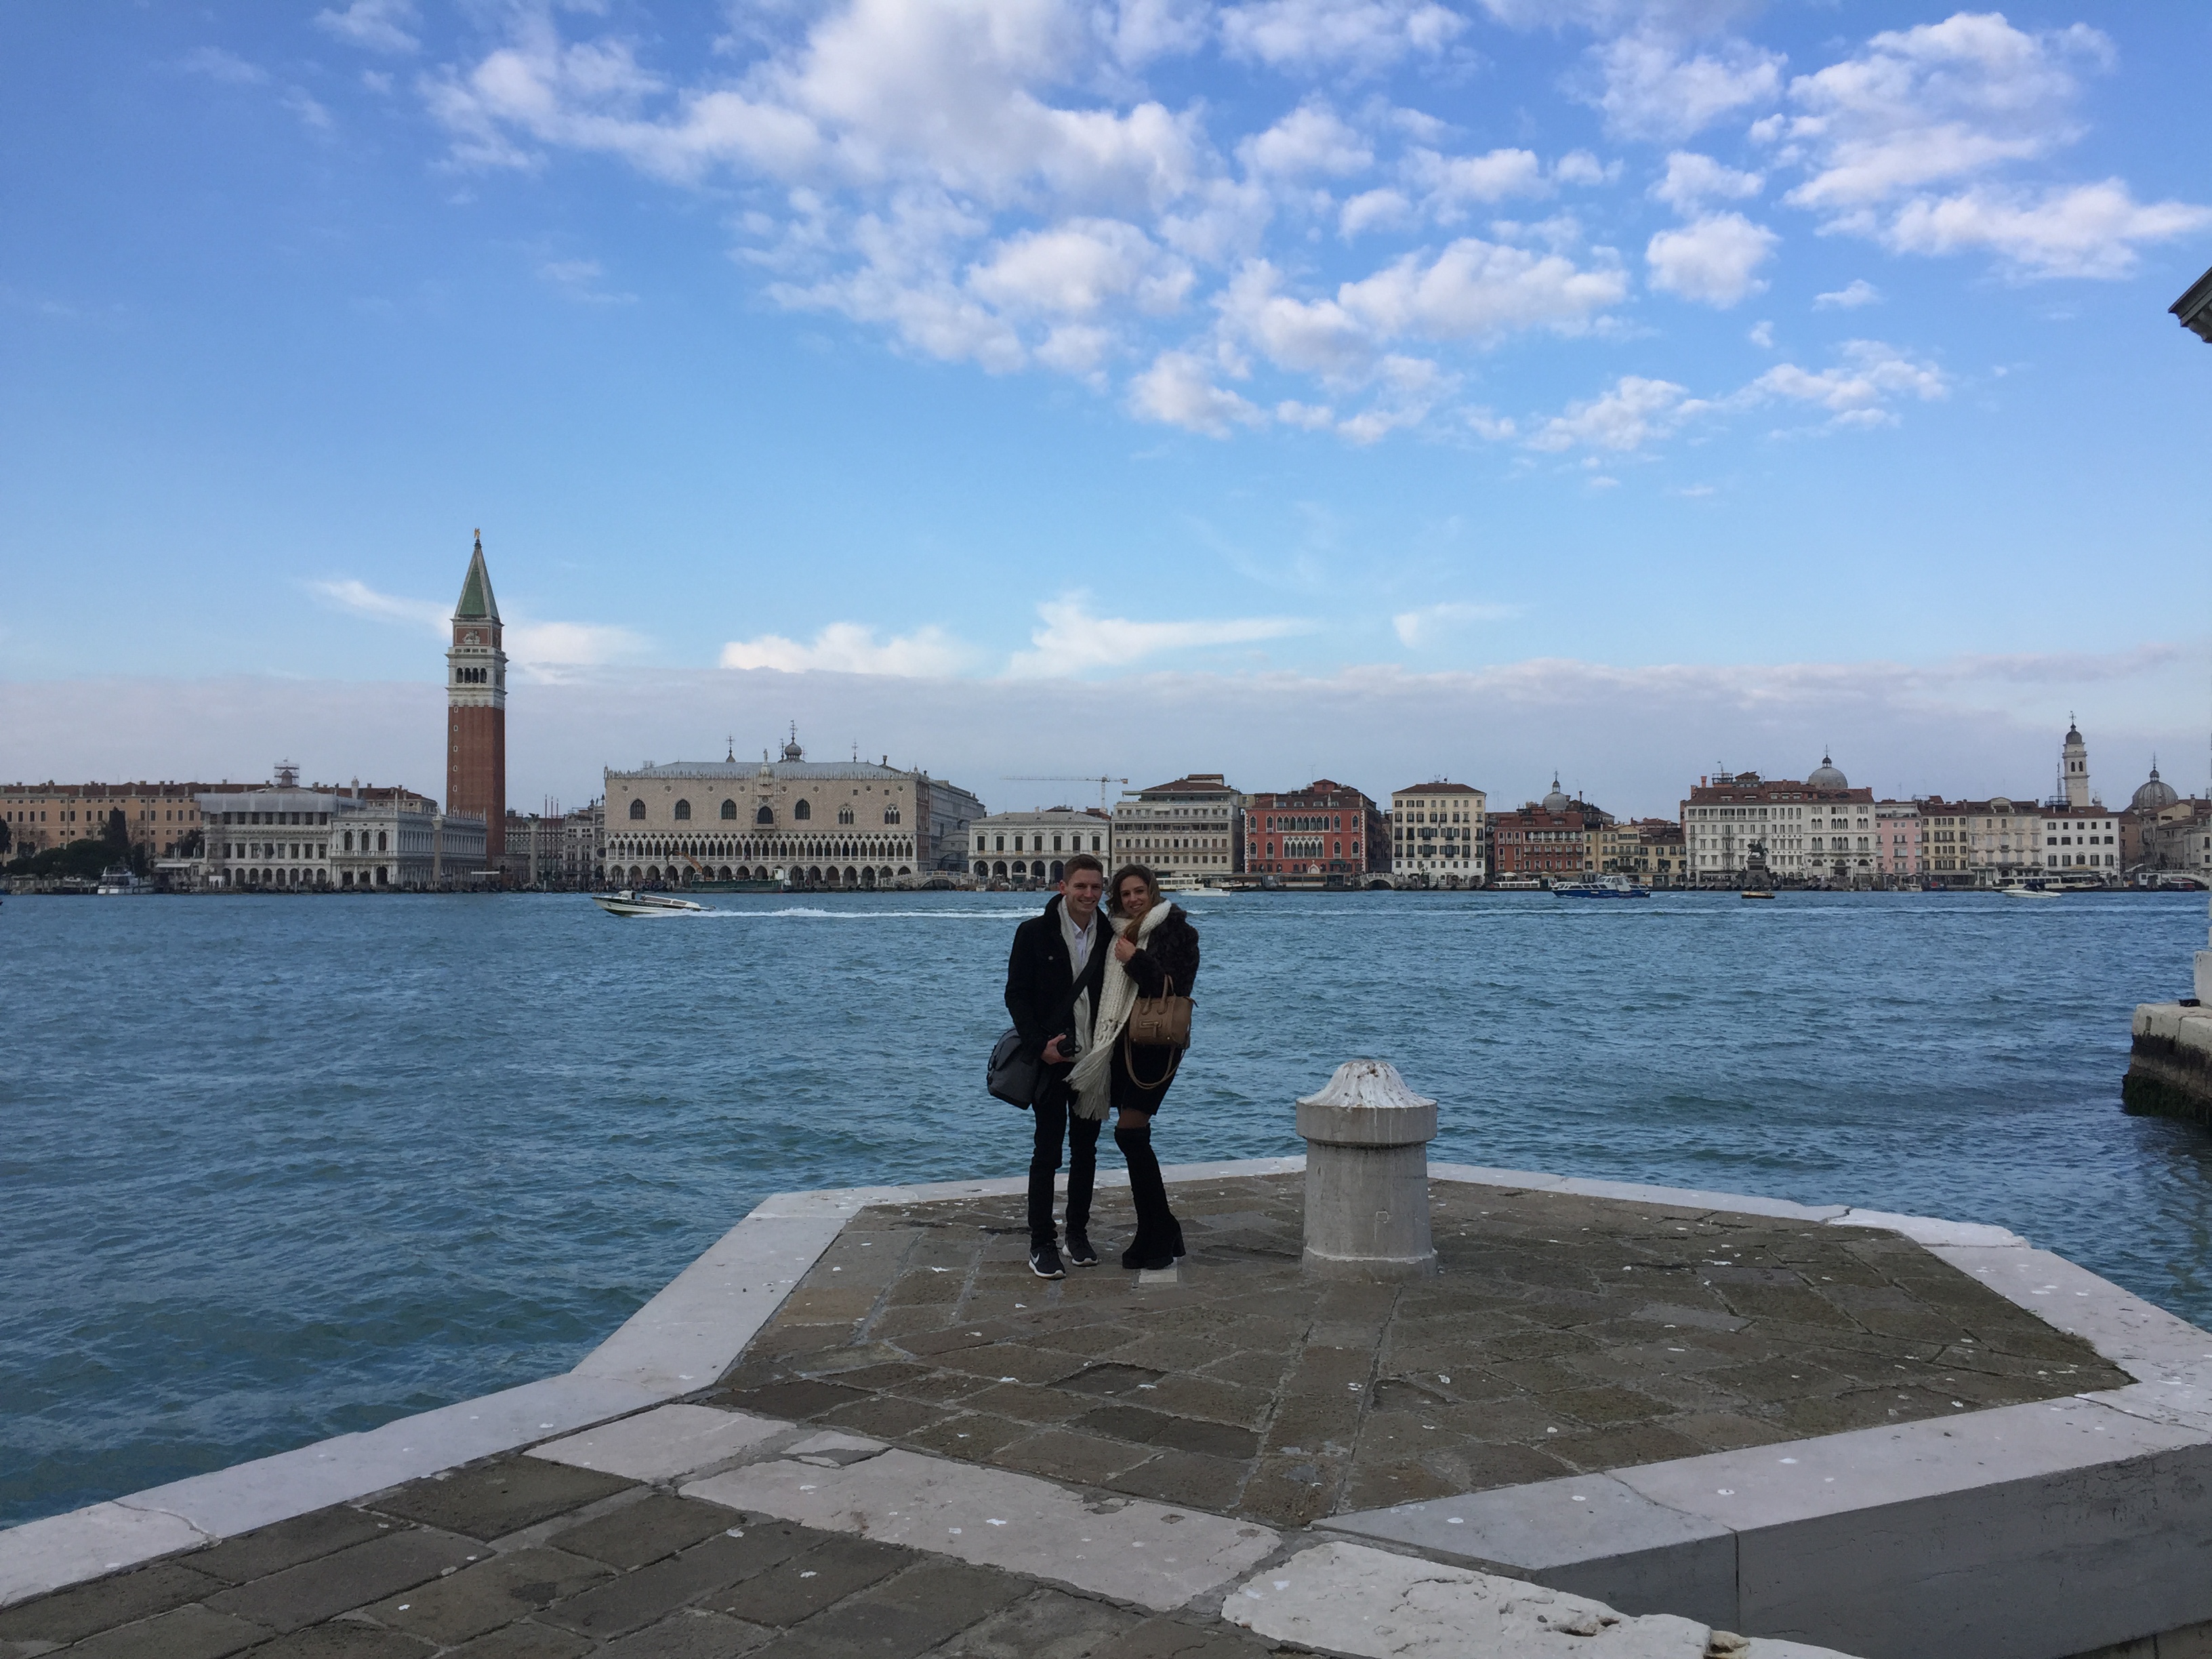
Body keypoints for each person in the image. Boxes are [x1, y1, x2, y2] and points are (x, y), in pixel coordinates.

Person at [1067, 863, 1199, 1270]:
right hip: (1117, 1047)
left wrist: (1135, 959)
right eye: (1125, 894)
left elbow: (1174, 989)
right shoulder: (1113, 931)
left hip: (1156, 1048)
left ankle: (1157, 1232)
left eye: (1139, 892)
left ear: (1152, 891)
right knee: (1132, 1136)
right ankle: (1159, 1228)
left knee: (1130, 1133)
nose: (1133, 900)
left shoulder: (1178, 931)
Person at [1003, 855, 1111, 1279]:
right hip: (1051, 1059)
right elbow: (1016, 995)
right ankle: (1042, 1243)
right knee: (1046, 1151)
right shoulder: (1033, 933)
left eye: (1096, 887)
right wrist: (1038, 1046)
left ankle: (1077, 1235)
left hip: (1094, 1061)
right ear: (1063, 887)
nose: (1089, 894)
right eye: (1081, 886)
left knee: (1086, 1151)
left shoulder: (1111, 936)